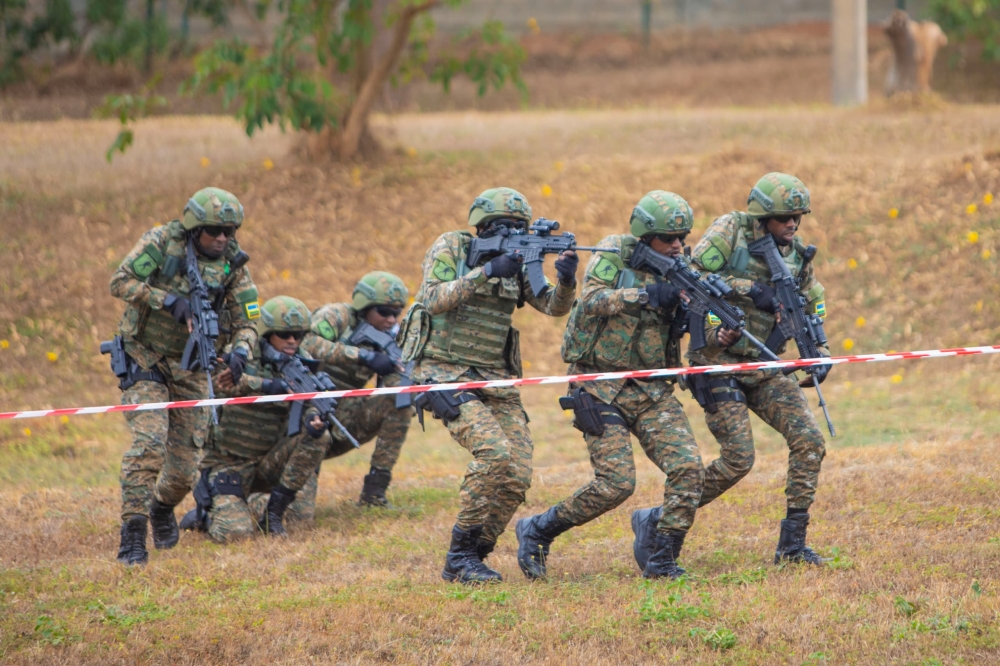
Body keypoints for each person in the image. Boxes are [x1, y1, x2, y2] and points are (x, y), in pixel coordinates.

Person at [637, 172, 830, 566]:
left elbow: (811, 298)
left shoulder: (796, 254)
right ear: (762, 217)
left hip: (766, 363)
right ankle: (660, 522)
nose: (791, 224)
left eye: (797, 217)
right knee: (738, 459)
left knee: (810, 442)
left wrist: (819, 348)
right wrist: (750, 290)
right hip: (717, 360)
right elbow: (691, 272)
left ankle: (792, 546)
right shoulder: (732, 229)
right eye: (782, 218)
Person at [516, 191, 705, 580]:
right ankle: (538, 529)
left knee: (688, 468)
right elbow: (592, 300)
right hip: (598, 383)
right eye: (668, 238)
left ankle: (662, 555)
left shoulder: (683, 267)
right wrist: (647, 294)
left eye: (681, 238)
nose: (677, 246)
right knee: (616, 484)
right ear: (645, 234)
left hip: (651, 388)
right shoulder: (614, 252)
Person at [399, 187, 577, 584]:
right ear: (482, 228)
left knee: (516, 473)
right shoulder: (452, 246)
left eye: (520, 228)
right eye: (506, 228)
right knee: (494, 453)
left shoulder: (523, 262)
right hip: (443, 373)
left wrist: (565, 281)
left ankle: (476, 554)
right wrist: (487, 271)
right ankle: (458, 556)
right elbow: (432, 298)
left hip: (494, 379)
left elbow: (553, 306)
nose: (515, 234)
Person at [109, 187, 260, 565]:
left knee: (184, 469)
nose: (221, 238)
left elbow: (249, 322)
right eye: (213, 231)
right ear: (194, 228)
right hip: (145, 357)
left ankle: (162, 507)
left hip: (192, 367)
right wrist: (167, 301)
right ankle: (133, 534)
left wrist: (241, 353)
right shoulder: (161, 242)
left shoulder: (233, 265)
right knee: (149, 444)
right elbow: (120, 282)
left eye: (228, 231)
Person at [179, 296, 330, 542]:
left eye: (298, 335)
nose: (292, 341)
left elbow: (312, 404)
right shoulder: (240, 356)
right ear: (267, 333)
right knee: (235, 534)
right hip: (229, 463)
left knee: (319, 439)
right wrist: (273, 386)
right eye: (285, 334)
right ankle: (208, 515)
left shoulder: (303, 363)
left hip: (270, 460)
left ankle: (273, 511)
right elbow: (221, 382)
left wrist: (315, 419)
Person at [295, 271, 413, 512]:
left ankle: (374, 493)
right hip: (304, 418)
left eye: (396, 313)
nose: (391, 319)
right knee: (298, 517)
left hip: (344, 419)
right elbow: (307, 344)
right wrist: (362, 356)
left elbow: (400, 382)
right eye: (384, 311)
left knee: (401, 404)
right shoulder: (337, 316)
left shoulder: (392, 338)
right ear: (364, 306)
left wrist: (409, 381)